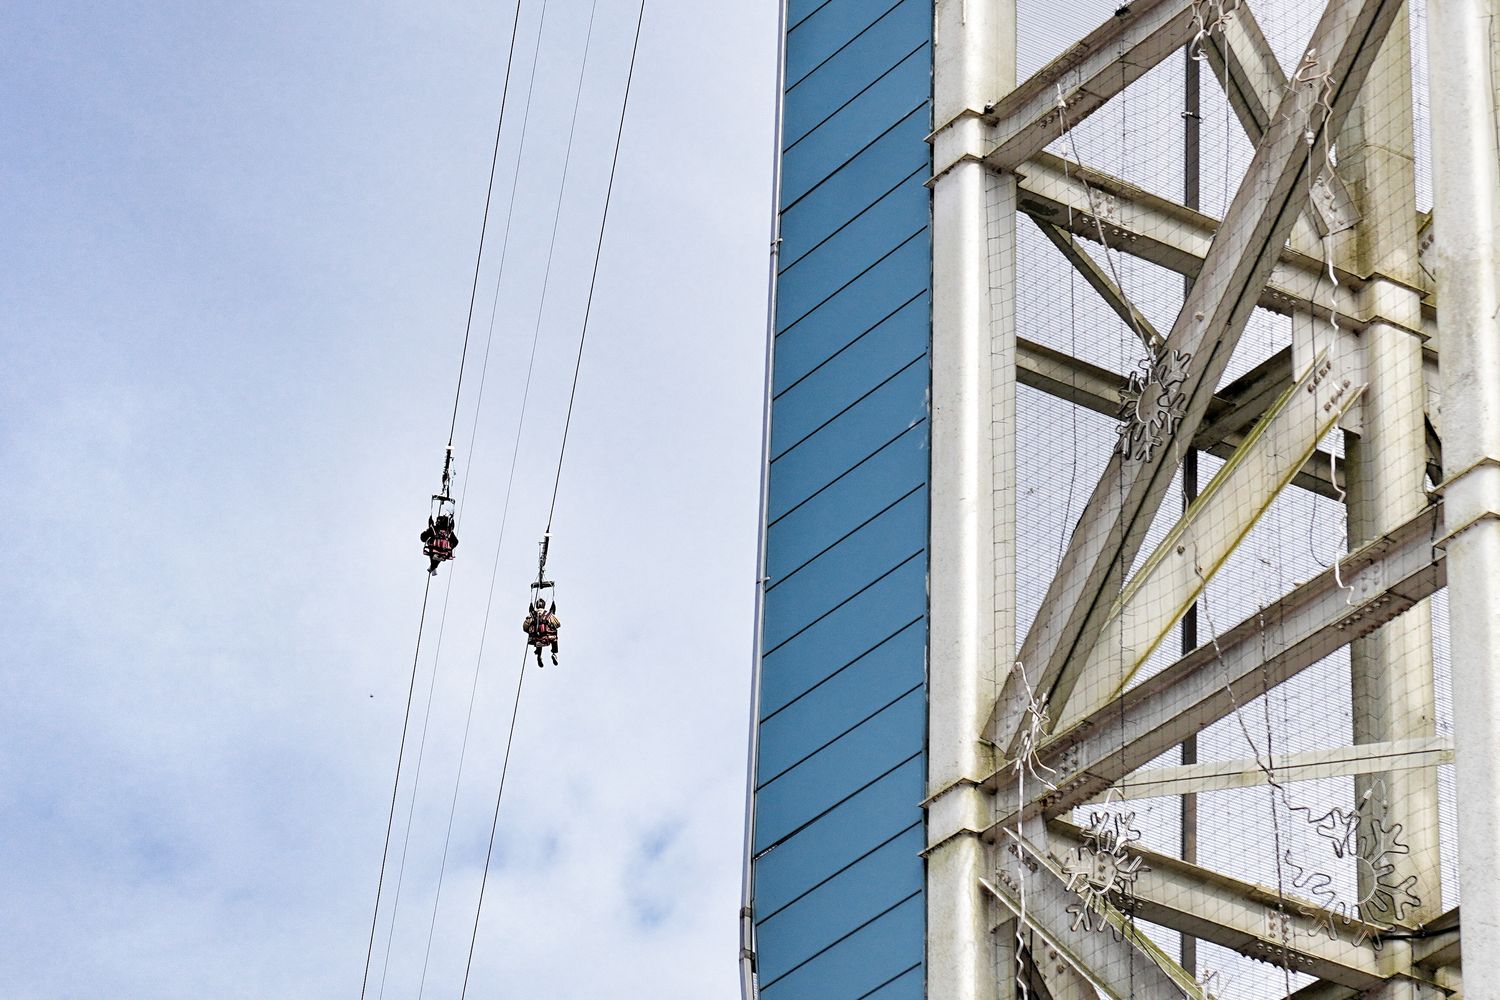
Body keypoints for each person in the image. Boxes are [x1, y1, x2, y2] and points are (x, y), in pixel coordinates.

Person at [522, 597, 561, 667]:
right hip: (548, 637)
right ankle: (554, 653)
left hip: (535, 638)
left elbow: (525, 627)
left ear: (536, 605)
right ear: (544, 605)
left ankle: (539, 655)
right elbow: (558, 624)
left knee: (538, 638)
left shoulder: (531, 615)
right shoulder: (549, 615)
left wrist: (531, 628)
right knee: (553, 637)